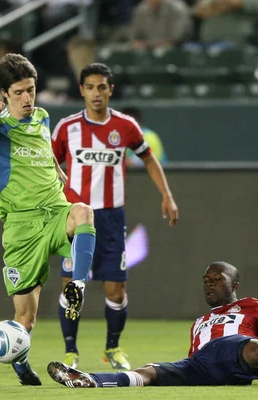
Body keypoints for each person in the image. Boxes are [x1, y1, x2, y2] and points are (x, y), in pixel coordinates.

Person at [0, 53, 97, 386]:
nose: (28, 98)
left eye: (32, 89)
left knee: (83, 211)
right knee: (25, 318)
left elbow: (44, 147)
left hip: (54, 212)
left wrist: (57, 170)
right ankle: (21, 364)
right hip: (21, 228)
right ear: (5, 94)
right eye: (20, 92)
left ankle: (77, 288)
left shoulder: (41, 116)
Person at [47, 261, 258, 388]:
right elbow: (193, 358)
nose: (209, 284)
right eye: (205, 280)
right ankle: (90, 380)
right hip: (202, 364)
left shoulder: (252, 306)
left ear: (235, 284)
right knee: (151, 371)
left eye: (217, 279)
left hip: (238, 352)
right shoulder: (200, 322)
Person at [51, 63, 179, 370]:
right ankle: (70, 351)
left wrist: (167, 195)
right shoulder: (67, 128)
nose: (96, 94)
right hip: (76, 218)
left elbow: (149, 159)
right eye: (90, 88)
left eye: (102, 87)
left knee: (116, 289)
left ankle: (112, 348)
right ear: (81, 90)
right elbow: (49, 164)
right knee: (73, 287)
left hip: (110, 218)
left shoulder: (125, 126)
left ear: (111, 89)